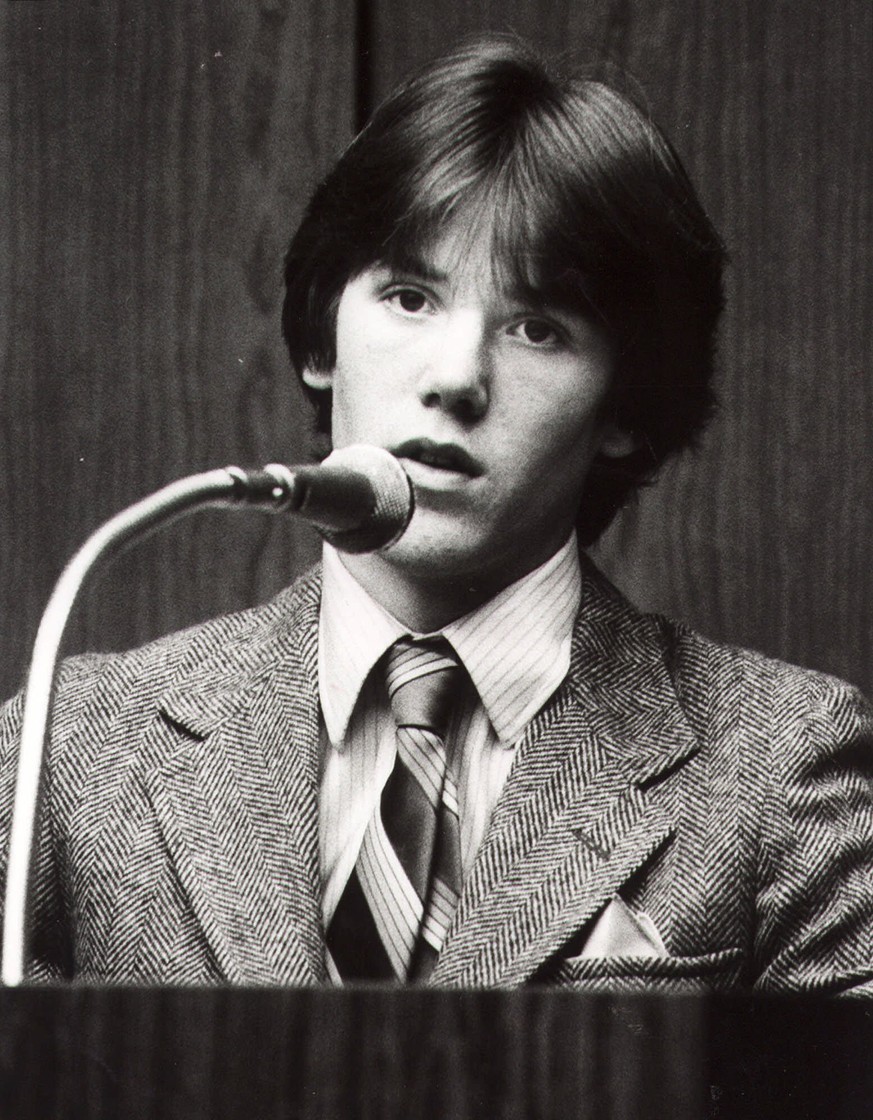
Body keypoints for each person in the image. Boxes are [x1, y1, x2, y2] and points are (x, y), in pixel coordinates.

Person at [1, 35, 872, 992]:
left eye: (538, 328)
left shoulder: (782, 764)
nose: (456, 378)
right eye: (410, 298)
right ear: (322, 337)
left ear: (624, 409)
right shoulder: (76, 748)